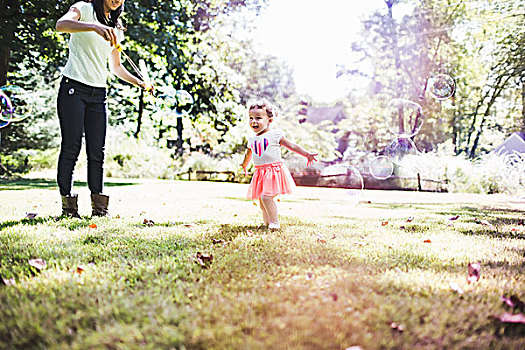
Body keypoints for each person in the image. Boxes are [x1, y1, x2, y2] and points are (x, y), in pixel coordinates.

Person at [55, 0, 149, 217]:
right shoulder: (84, 9)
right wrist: (94, 26)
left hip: (98, 94)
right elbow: (61, 24)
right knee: (72, 146)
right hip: (73, 87)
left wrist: (140, 83)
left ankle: (100, 209)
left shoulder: (116, 28)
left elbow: (116, 67)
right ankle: (68, 208)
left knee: (97, 152)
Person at [240, 100, 318, 230]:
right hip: (260, 172)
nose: (254, 121)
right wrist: (244, 165)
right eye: (251, 118)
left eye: (258, 118)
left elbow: (292, 146)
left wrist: (307, 154)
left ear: (269, 120)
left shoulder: (275, 135)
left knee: (266, 197)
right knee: (261, 200)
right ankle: (266, 222)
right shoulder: (251, 139)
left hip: (273, 171)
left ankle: (274, 222)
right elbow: (248, 154)